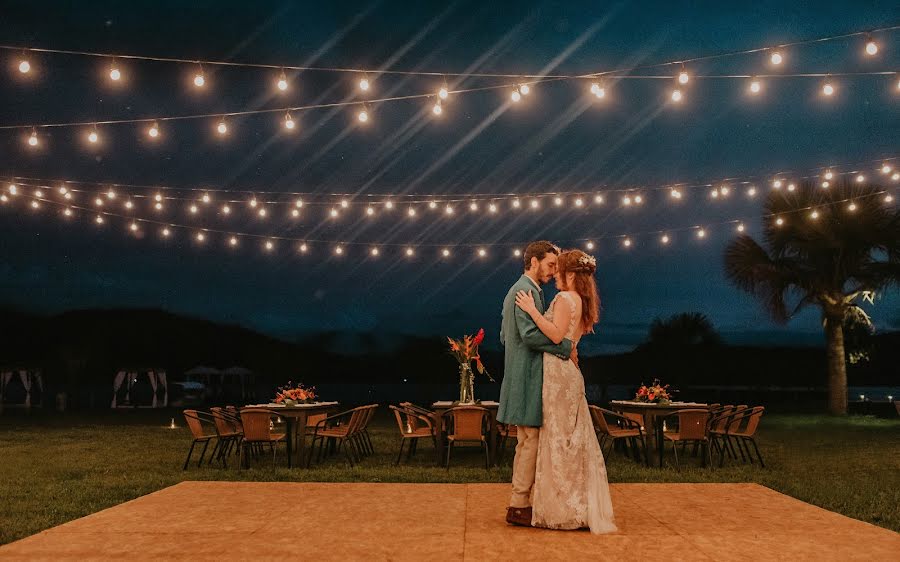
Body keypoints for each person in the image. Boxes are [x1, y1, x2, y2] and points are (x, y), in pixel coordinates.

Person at [514, 249, 616, 534]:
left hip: (558, 376)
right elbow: (571, 342)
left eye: (558, 270)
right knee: (571, 442)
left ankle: (563, 509)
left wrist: (532, 310)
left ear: (569, 274)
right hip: (569, 374)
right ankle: (576, 505)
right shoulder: (582, 301)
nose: (554, 275)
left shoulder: (564, 298)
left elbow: (557, 335)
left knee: (558, 439)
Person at [498, 241, 577, 527]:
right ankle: (518, 505)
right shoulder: (525, 290)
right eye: (551, 264)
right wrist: (564, 347)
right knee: (529, 440)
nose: (554, 270)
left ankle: (520, 502)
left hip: (520, 373)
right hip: (527, 376)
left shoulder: (522, 290)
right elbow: (530, 336)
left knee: (526, 441)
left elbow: (505, 336)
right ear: (534, 261)